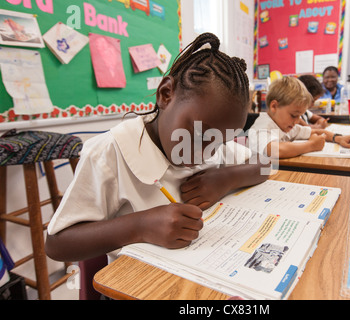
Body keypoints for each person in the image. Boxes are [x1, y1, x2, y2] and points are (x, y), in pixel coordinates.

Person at [45, 33, 269, 262]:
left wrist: (227, 178)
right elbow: (57, 244)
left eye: (220, 142)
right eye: (199, 135)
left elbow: (264, 164)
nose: (206, 153)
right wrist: (140, 226)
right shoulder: (108, 154)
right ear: (166, 94)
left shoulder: (213, 139)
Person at [248, 76, 350, 159]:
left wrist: (338, 138)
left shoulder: (285, 125)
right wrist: (311, 145)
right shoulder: (262, 126)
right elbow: (276, 150)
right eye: (293, 115)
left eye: (299, 116)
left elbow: (315, 131)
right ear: (274, 106)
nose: (297, 121)